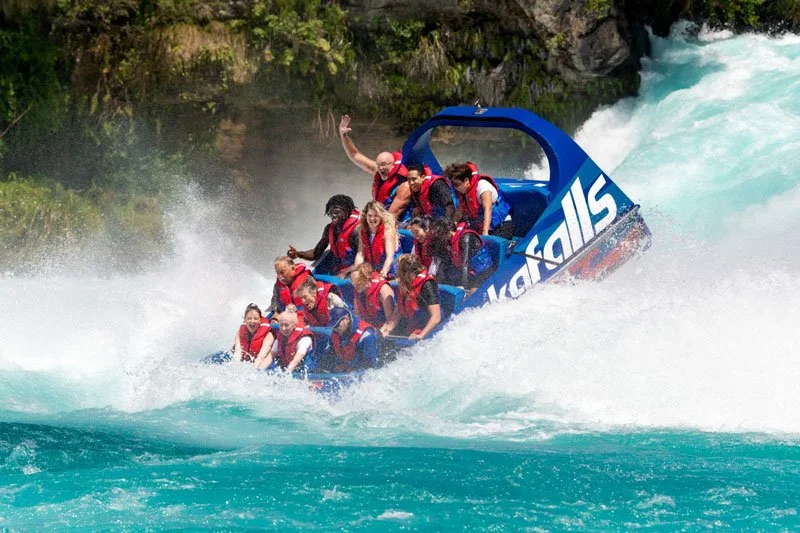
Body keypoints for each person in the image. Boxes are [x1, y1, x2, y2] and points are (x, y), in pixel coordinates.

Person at [339, 114, 412, 221]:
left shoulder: (404, 184)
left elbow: (392, 216)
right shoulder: (377, 170)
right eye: (378, 165)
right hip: (380, 217)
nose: (381, 169)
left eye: (384, 165)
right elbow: (355, 155)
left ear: (393, 164)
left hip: (400, 222)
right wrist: (343, 135)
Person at [287, 195, 360, 277]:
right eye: (331, 212)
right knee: (308, 279)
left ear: (347, 212)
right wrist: (298, 254)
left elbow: (363, 260)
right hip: (339, 264)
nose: (333, 216)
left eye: (337, 212)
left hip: (356, 268)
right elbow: (316, 254)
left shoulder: (356, 230)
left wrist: (345, 273)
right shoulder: (329, 229)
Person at [446, 161, 514, 239]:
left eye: (457, 185)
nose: (455, 188)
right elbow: (459, 213)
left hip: (501, 226)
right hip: (482, 227)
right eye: (453, 185)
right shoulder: (464, 193)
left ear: (466, 181)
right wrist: (452, 226)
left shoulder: (483, 187)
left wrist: (485, 233)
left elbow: (488, 209)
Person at [430, 217, 495, 295]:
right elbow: (446, 264)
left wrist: (463, 287)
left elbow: (465, 264)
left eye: (440, 234)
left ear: (447, 231)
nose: (439, 238)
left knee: (471, 294)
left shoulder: (466, 238)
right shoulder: (448, 242)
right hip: (468, 273)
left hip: (483, 271)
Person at [387, 253, 441, 341]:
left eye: (400, 273)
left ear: (409, 273)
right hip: (410, 327)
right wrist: (389, 327)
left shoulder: (428, 284)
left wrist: (421, 335)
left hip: (426, 330)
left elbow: (436, 317)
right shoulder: (404, 285)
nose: (399, 277)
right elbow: (399, 311)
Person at [254, 305, 315, 372]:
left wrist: (286, 374)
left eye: (287, 325)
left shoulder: (305, 339)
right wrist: (258, 370)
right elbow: (270, 357)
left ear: (295, 325)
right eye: (281, 325)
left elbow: (296, 361)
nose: (283, 328)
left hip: (307, 372)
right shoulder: (280, 338)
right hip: (288, 370)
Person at [323, 307, 379, 373]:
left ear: (347, 319)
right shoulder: (336, 333)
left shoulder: (366, 336)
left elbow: (370, 366)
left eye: (337, 325)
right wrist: (334, 366)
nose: (335, 329)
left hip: (362, 373)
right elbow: (329, 356)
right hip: (345, 371)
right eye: (333, 326)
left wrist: (352, 369)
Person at [354, 200, 400, 279]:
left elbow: (390, 257)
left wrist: (383, 275)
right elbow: (360, 255)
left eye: (376, 215)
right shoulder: (362, 230)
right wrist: (357, 272)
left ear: (381, 216)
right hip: (374, 270)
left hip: (390, 271)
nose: (372, 218)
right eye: (370, 215)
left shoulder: (387, 231)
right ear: (366, 216)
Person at [351, 262, 396, 335]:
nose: (354, 285)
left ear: (367, 278)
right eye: (352, 282)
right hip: (370, 329)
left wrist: (383, 331)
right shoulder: (358, 291)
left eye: (357, 282)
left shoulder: (383, 290)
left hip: (384, 331)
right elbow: (357, 316)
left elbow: (390, 320)